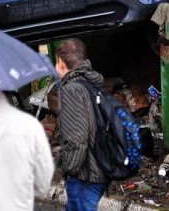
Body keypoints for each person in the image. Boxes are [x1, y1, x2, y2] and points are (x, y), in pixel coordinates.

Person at [54, 38, 109, 211]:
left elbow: (77, 138)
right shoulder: (94, 85)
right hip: (101, 170)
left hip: (85, 175)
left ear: (62, 63)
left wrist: (69, 170)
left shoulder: (71, 90)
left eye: (56, 62)